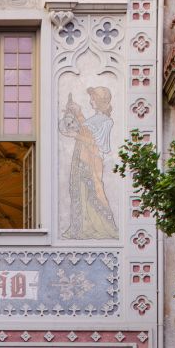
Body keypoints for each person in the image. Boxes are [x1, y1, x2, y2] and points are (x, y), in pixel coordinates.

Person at [59, 87, 118, 239]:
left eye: (93, 98)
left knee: (94, 192)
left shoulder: (106, 121)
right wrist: (73, 117)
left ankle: (104, 228)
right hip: (80, 158)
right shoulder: (93, 119)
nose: (91, 101)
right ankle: (79, 229)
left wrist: (76, 127)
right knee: (78, 192)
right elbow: (85, 131)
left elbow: (97, 143)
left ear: (100, 101)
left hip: (91, 162)